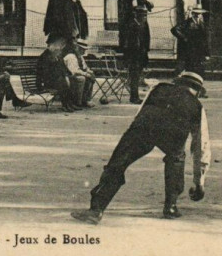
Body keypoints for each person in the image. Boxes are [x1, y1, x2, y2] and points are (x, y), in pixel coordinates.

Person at [71, 72, 211, 224]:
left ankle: (96, 209)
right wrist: (199, 182)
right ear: (197, 91)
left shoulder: (158, 89)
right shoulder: (197, 106)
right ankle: (171, 207)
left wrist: (127, 140)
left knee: (118, 164)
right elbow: (200, 146)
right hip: (173, 134)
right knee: (176, 159)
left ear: (177, 82)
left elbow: (139, 113)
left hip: (143, 128)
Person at [36, 35, 76, 112]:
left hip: (56, 79)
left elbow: (63, 68)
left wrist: (69, 74)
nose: (59, 48)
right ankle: (65, 105)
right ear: (51, 46)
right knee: (62, 82)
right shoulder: (45, 56)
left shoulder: (56, 55)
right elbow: (44, 73)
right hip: (47, 81)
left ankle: (70, 104)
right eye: (57, 46)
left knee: (72, 79)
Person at [123, 0, 151, 104]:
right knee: (134, 77)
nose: (144, 17)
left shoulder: (144, 24)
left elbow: (147, 38)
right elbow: (127, 43)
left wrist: (145, 51)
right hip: (133, 56)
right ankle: (134, 97)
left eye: (145, 15)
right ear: (137, 15)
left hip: (141, 55)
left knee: (137, 76)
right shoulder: (132, 25)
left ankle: (135, 96)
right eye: (142, 15)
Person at [171, 5, 210, 77]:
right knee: (188, 66)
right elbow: (174, 29)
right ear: (193, 14)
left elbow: (205, 38)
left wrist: (206, 52)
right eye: (196, 13)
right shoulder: (186, 23)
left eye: (200, 14)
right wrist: (184, 38)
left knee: (197, 68)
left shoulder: (202, 24)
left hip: (198, 49)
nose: (198, 15)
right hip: (188, 48)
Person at [63, 39, 96, 109]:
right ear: (77, 48)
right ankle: (77, 102)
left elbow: (84, 67)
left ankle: (86, 100)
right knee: (81, 79)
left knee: (90, 78)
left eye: (85, 49)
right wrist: (85, 74)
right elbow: (74, 70)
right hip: (68, 76)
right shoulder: (71, 56)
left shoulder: (80, 57)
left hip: (76, 74)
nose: (84, 51)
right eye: (82, 49)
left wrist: (89, 72)